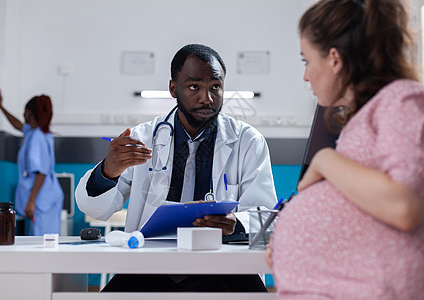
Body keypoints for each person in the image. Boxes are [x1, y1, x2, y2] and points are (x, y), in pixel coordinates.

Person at [76, 44, 277, 292]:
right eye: (194, 87)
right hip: (151, 265)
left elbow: (267, 215)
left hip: (223, 264)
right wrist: (108, 170)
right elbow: (96, 208)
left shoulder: (248, 141)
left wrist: (238, 223)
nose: (207, 98)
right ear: (173, 88)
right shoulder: (142, 138)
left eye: (216, 86)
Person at [265, 0, 424, 298]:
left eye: (306, 61)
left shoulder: (399, 100)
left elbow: (405, 207)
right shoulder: (359, 122)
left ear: (334, 59)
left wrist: (326, 161)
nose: (306, 75)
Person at [0, 90, 64, 236]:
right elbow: (17, 125)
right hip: (43, 199)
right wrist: (1, 106)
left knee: (44, 243)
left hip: (43, 201)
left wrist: (31, 201)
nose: (23, 114)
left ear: (30, 113)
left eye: (24, 111)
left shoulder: (38, 137)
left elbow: (41, 172)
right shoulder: (33, 132)